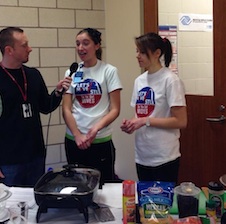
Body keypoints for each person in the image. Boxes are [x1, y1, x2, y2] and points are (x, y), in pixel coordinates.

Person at [0, 26, 72, 187]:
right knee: (11, 207)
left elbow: (46, 106)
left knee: (34, 205)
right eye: (24, 45)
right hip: (8, 160)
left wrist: (58, 92)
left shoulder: (33, 75)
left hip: (36, 156)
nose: (30, 49)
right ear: (9, 50)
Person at [121, 32, 187, 184]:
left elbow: (181, 121)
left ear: (157, 53)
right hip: (142, 155)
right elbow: (140, 115)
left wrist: (145, 121)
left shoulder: (170, 80)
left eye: (143, 52)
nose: (138, 55)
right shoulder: (139, 81)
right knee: (146, 203)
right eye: (137, 51)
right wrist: (131, 124)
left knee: (163, 204)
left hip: (164, 156)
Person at [62, 28, 122, 184]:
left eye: (85, 43)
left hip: (100, 140)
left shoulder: (109, 71)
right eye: (77, 44)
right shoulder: (72, 71)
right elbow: (66, 108)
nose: (80, 48)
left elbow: (115, 109)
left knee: (103, 185)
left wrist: (95, 129)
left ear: (97, 46)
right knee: (77, 185)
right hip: (74, 140)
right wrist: (77, 135)